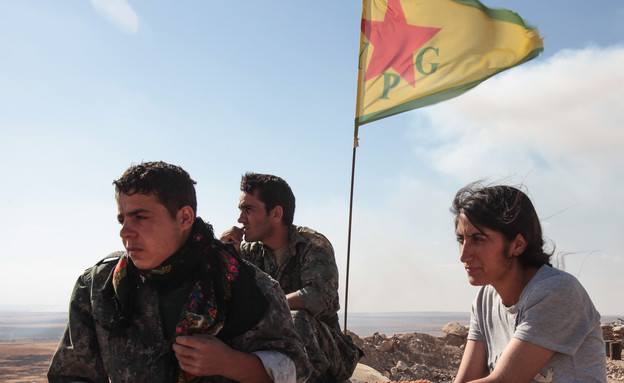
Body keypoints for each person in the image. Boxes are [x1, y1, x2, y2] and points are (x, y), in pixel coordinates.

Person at [48, 162, 311, 383]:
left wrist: (230, 363)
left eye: (141, 217)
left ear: (185, 217)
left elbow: (294, 370)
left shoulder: (248, 286)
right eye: (123, 219)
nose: (125, 232)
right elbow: (70, 374)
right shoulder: (99, 286)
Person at [451, 182, 606, 383]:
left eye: (478, 240)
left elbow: (503, 381)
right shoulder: (485, 300)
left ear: (517, 244)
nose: (464, 256)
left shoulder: (557, 291)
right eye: (461, 240)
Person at [220, 173, 362, 383]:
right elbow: (227, 298)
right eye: (241, 211)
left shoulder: (312, 245)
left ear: (276, 213)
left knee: (295, 319)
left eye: (249, 210)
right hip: (273, 343)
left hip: (326, 351)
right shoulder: (249, 252)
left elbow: (320, 297)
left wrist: (269, 307)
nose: (241, 219)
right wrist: (223, 255)